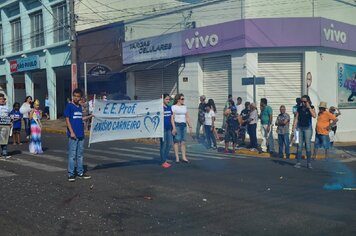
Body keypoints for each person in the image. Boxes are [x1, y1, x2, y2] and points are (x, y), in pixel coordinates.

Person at [65, 88, 93, 182]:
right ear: (72, 96)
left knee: (80, 155)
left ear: (80, 98)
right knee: (72, 155)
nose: (76, 98)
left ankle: (80, 172)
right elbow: (67, 120)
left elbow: (80, 118)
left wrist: (90, 116)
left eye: (78, 96)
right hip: (73, 135)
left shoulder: (79, 107)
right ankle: (71, 174)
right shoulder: (69, 106)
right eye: (75, 96)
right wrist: (71, 132)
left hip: (81, 134)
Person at [293, 95, 316, 169]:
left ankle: (309, 163)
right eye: (302, 101)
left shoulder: (311, 107)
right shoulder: (299, 108)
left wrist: (308, 107)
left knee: (308, 146)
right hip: (299, 128)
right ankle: (298, 162)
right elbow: (296, 118)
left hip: (307, 129)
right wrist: (294, 127)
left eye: (304, 101)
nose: (303, 103)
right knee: (299, 146)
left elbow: (314, 115)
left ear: (308, 101)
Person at [171, 93, 193, 163]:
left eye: (183, 99)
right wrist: (174, 127)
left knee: (183, 141)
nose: (183, 100)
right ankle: (177, 157)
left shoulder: (184, 107)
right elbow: (172, 118)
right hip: (177, 124)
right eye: (182, 99)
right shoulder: (174, 107)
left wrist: (190, 126)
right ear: (178, 100)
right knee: (176, 141)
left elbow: (187, 116)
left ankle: (184, 157)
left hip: (183, 125)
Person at [160, 94, 173, 168]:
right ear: (163, 99)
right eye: (166, 99)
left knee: (170, 144)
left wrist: (173, 128)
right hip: (162, 129)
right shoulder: (160, 108)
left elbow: (171, 118)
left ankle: (164, 158)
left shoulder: (169, 107)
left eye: (169, 99)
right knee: (163, 145)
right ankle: (163, 161)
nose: (168, 101)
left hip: (169, 128)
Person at [0, 94, 11, 159]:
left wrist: (11, 123)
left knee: (4, 140)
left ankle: (4, 153)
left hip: (5, 126)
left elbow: (10, 115)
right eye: (0, 99)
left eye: (3, 99)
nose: (2, 100)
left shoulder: (7, 107)